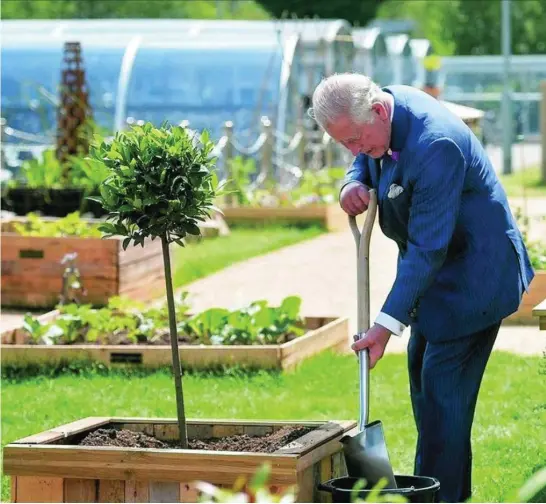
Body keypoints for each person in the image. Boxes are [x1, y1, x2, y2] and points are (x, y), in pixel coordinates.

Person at [309, 73, 535, 503]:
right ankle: (447, 493)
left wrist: (382, 327)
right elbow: (367, 154)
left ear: (377, 112)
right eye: (345, 145)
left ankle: (437, 498)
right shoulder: (382, 112)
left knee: (442, 403)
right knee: (425, 392)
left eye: (357, 140)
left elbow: (427, 249)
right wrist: (353, 180)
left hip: (475, 279)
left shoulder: (436, 145)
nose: (354, 150)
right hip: (436, 278)